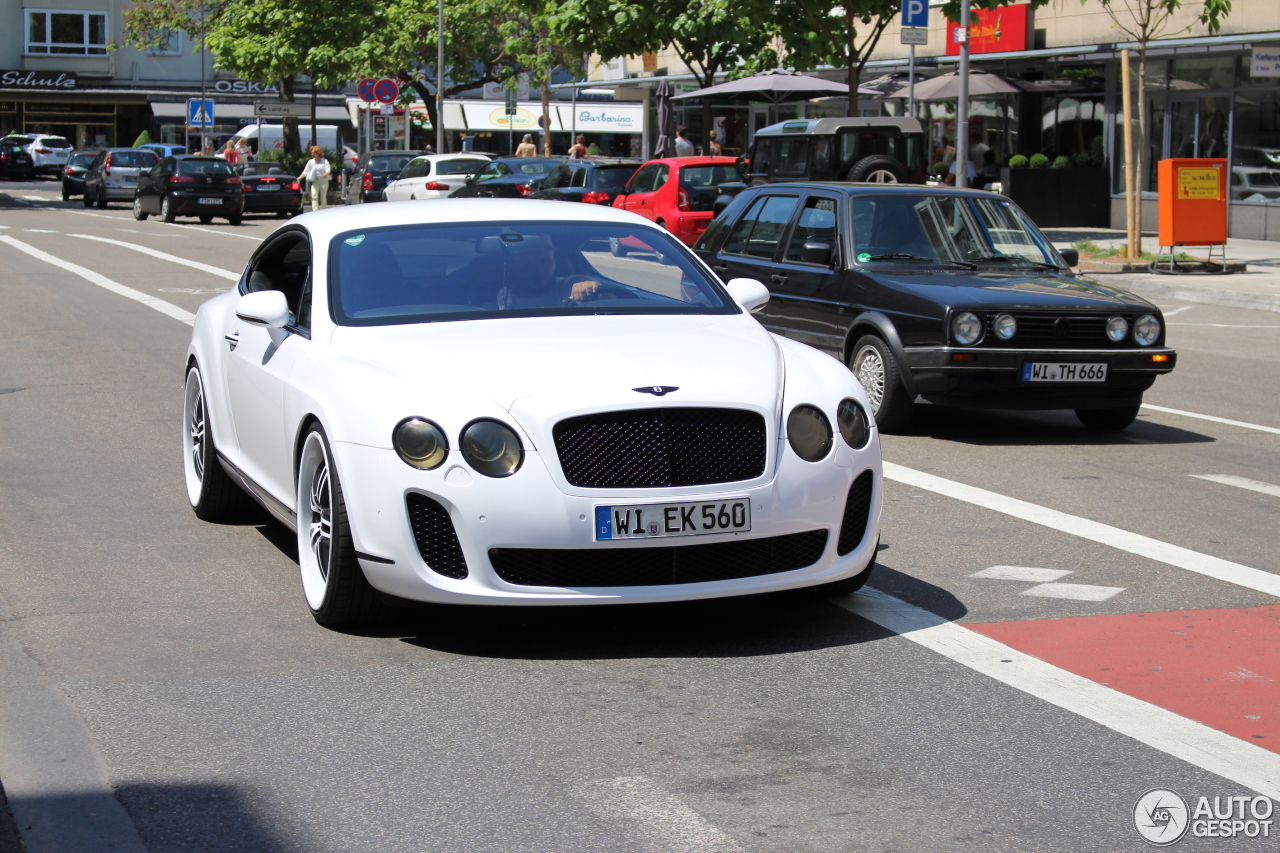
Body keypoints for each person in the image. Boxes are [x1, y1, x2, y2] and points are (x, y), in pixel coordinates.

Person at [495, 236, 601, 310]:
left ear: (555, 263)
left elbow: (609, 299)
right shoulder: (504, 296)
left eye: (545, 262)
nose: (539, 270)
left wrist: (588, 289)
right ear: (514, 266)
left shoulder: (570, 285)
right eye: (528, 264)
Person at [298, 145, 331, 210]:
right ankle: (315, 211)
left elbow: (328, 169)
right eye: (311, 153)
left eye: (314, 153)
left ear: (318, 153)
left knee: (323, 197)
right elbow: (305, 172)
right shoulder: (310, 162)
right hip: (315, 181)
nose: (312, 154)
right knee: (314, 196)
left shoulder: (324, 161)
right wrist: (298, 178)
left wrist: (326, 173)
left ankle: (323, 210)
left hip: (323, 181)